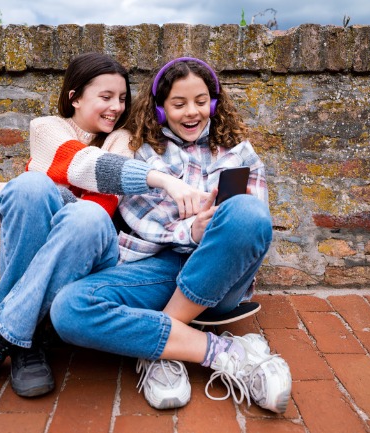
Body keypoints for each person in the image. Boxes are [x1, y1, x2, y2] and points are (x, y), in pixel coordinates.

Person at [0, 53, 205, 413]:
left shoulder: (123, 140)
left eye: (121, 98)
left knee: (84, 214)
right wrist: (162, 180)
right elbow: (78, 164)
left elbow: (101, 193)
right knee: (29, 189)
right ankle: (28, 342)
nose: (116, 107)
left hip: (94, 257)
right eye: (105, 97)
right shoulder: (46, 128)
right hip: (56, 256)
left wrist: (16, 182)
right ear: (74, 97)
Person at [50, 57, 292, 413]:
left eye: (200, 101)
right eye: (178, 104)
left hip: (218, 279)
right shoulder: (140, 153)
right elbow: (144, 220)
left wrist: (216, 230)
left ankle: (154, 342)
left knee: (248, 212)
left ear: (213, 102)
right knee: (68, 309)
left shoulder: (241, 153)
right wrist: (192, 230)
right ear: (161, 109)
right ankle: (225, 353)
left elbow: (250, 229)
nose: (192, 112)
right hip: (158, 268)